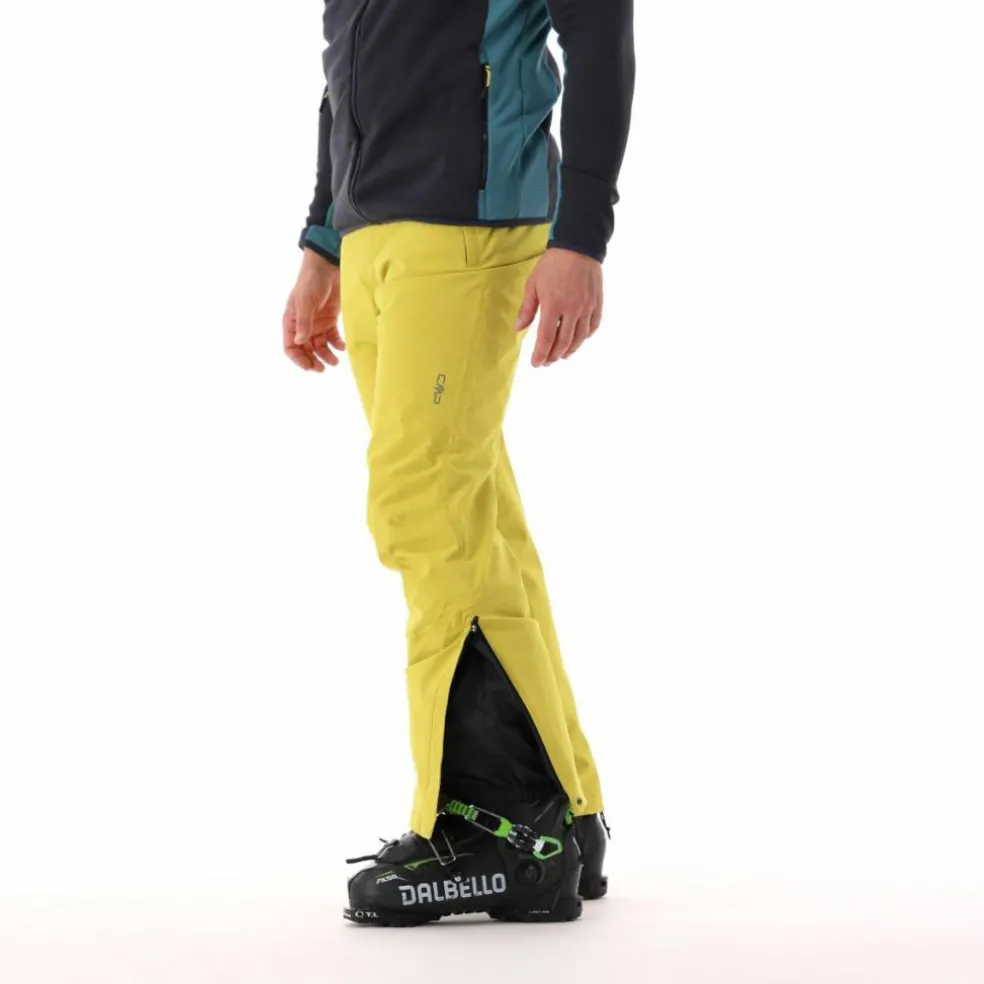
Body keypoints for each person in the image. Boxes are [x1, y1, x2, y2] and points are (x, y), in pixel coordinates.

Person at [282, 0, 634, 926]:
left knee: (424, 506)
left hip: (467, 226)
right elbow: (347, 70)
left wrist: (581, 234)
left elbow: (600, 35)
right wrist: (324, 239)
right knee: (474, 517)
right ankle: (564, 807)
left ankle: (501, 825)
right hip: (375, 235)